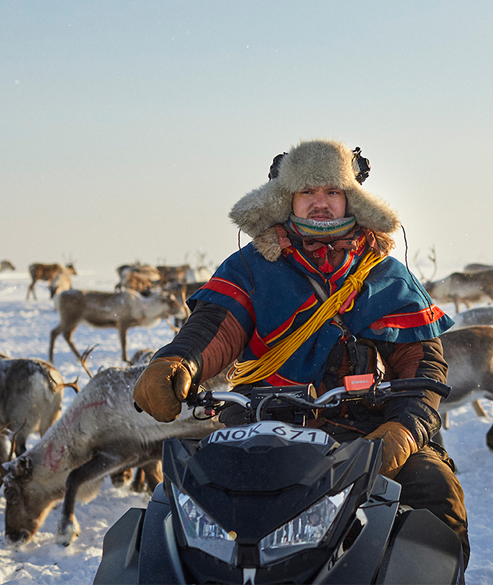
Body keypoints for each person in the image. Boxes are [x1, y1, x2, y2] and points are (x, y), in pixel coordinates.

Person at [132, 138, 470, 563]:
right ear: (287, 199)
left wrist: (401, 432)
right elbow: (214, 325)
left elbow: (423, 366)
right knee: (176, 507)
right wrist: (176, 363)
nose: (320, 203)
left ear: (351, 200)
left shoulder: (387, 276)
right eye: (308, 192)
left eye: (332, 191)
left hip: (362, 436)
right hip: (259, 429)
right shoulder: (251, 267)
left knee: (435, 492)